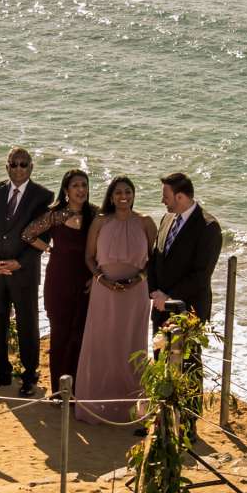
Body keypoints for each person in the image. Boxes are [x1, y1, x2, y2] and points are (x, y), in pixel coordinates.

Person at [74, 176, 156, 426]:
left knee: (132, 345)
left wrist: (138, 278)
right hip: (104, 291)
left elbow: (154, 260)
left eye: (128, 192)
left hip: (135, 293)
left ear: (133, 195)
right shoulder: (100, 221)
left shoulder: (145, 222)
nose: (124, 196)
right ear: (110, 196)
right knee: (102, 345)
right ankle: (97, 405)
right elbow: (89, 257)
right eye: (118, 192)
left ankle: (131, 408)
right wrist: (101, 280)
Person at [0, 146, 53, 395]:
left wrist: (21, 262)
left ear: (31, 167)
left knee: (28, 324)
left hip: (24, 272)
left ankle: (29, 375)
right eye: (14, 164)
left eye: (24, 164)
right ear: (6, 167)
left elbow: (45, 236)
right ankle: (1, 373)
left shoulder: (43, 196)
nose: (19, 168)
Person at [23, 168, 95, 401]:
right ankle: (58, 392)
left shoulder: (96, 215)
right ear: (66, 190)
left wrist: (97, 276)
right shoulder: (55, 215)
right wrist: (49, 248)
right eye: (76, 186)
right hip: (58, 281)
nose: (81, 190)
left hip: (85, 283)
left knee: (80, 336)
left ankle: (78, 390)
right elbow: (28, 234)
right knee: (60, 335)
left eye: (84, 185)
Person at [148, 172, 223, 328]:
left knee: (188, 354)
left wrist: (169, 297)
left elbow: (201, 275)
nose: (162, 201)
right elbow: (156, 257)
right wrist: (154, 292)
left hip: (189, 311)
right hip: (160, 309)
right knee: (159, 353)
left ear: (180, 197)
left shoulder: (208, 227)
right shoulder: (167, 218)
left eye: (166, 197)